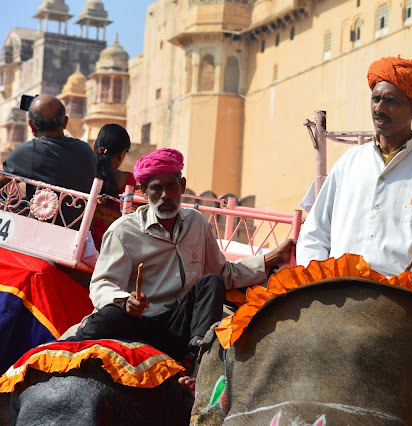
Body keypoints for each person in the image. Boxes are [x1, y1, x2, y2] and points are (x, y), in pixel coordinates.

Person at [74, 148, 295, 391]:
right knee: (108, 316)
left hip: (181, 326)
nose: (165, 195)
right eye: (157, 188)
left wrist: (271, 257)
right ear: (144, 191)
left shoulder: (197, 223)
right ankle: (67, 352)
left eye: (172, 186)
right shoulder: (123, 231)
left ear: (183, 185)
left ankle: (198, 363)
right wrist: (126, 301)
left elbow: (223, 274)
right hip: (141, 322)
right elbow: (102, 285)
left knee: (211, 282)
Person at [297, 56, 412, 295]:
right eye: (376, 99)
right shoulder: (349, 163)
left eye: (391, 101)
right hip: (340, 288)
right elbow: (314, 233)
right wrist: (316, 285)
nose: (379, 109)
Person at [0, 94, 96, 230]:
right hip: (80, 234)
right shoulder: (85, 150)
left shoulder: (29, 151)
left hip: (44, 232)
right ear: (65, 122)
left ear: (31, 126)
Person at [91, 123, 136, 250]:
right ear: (122, 154)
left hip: (82, 241)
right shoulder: (128, 180)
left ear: (94, 146)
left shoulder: (84, 170)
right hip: (110, 248)